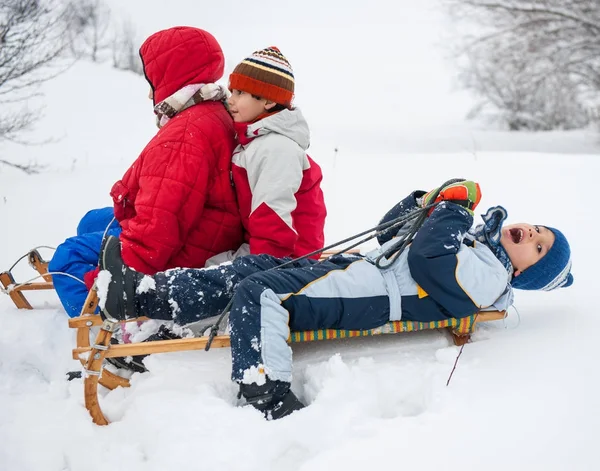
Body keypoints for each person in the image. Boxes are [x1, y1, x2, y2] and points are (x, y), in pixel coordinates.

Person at [96, 180, 574, 420]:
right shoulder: (473, 242)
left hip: (371, 296)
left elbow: (430, 262)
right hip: (361, 272)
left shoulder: (490, 278)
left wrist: (450, 209)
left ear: (525, 271)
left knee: (260, 293)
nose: (533, 234)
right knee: (254, 268)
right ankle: (138, 296)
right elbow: (394, 235)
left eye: (539, 248)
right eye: (539, 232)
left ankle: (267, 389)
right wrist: (423, 202)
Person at [48, 26, 244, 317]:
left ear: (173, 76)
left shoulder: (184, 135)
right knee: (90, 222)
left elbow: (157, 234)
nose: (150, 92)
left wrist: (111, 286)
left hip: (191, 245)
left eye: (153, 80)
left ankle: (101, 324)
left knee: (67, 257)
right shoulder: (213, 111)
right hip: (208, 224)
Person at [206, 46, 326, 265]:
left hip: (287, 259)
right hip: (263, 249)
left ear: (269, 101)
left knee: (206, 272)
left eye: (240, 93)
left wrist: (258, 271)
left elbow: (273, 217)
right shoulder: (256, 143)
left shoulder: (277, 148)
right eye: (232, 91)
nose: (230, 100)